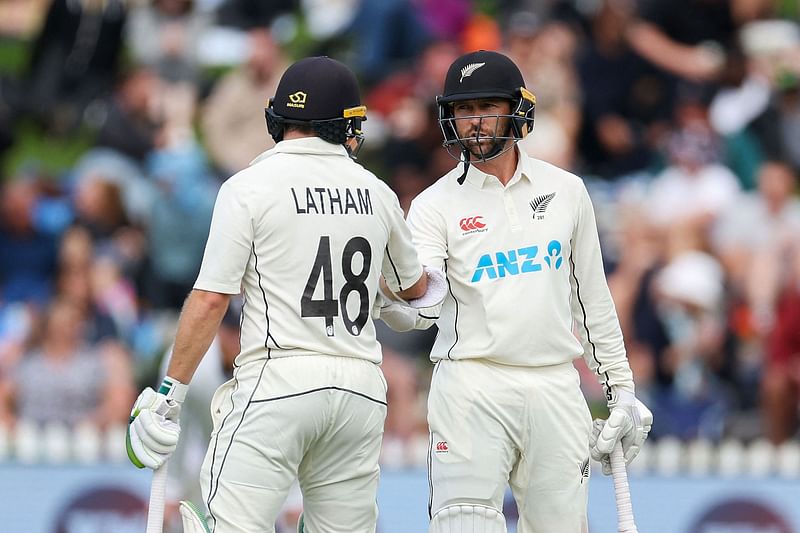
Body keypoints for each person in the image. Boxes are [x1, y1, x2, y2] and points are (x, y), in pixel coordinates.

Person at [126, 56, 445, 533]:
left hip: (278, 381)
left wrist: (169, 395)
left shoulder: (247, 187)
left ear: (277, 119)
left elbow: (212, 299)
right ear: (346, 125)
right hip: (359, 389)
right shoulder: (376, 192)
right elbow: (415, 290)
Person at [386, 50, 653, 532]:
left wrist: (622, 391)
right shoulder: (432, 206)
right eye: (463, 111)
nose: (474, 122)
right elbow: (422, 308)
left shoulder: (567, 191)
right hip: (471, 383)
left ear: (517, 110)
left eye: (487, 106)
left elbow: (592, 301)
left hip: (554, 385)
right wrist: (400, 292)